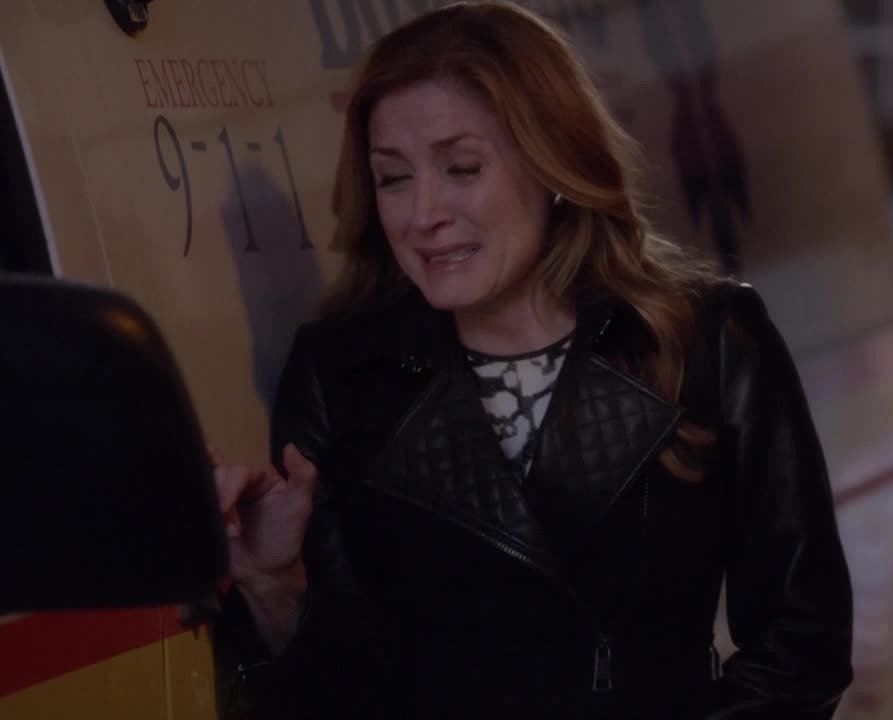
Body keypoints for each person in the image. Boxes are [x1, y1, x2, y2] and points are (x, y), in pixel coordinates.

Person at [211, 3, 853, 718]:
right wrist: (273, 584)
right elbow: (333, 698)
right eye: (393, 178)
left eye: (461, 168)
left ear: (554, 164)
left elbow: (801, 651)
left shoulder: (706, 340)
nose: (423, 214)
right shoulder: (339, 373)